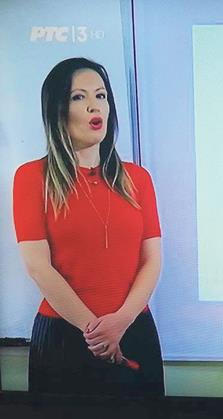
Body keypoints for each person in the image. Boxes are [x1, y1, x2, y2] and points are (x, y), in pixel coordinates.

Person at [12, 57, 164, 397]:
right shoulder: (32, 177)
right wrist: (96, 332)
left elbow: (152, 260)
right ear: (58, 110)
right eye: (79, 97)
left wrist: (121, 321)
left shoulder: (138, 178)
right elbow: (38, 266)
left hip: (133, 329)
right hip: (64, 336)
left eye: (101, 96)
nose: (95, 106)